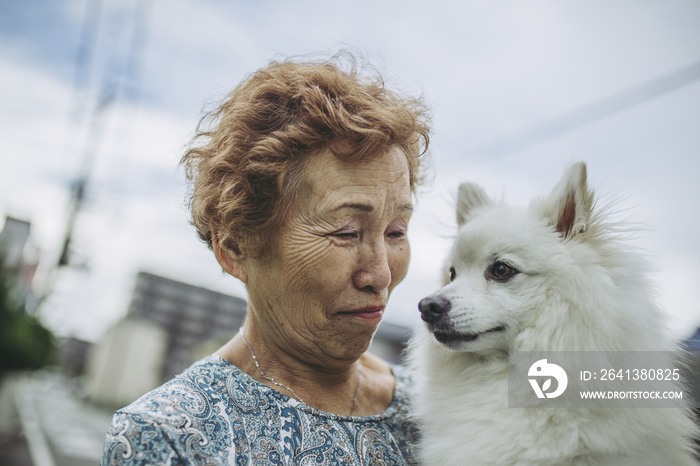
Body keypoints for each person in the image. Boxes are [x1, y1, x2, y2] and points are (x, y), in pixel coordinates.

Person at [101, 53, 431, 465]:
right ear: (236, 248)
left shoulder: (445, 398)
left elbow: (537, 388)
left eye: (396, 231)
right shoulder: (169, 436)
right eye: (345, 232)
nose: (380, 273)